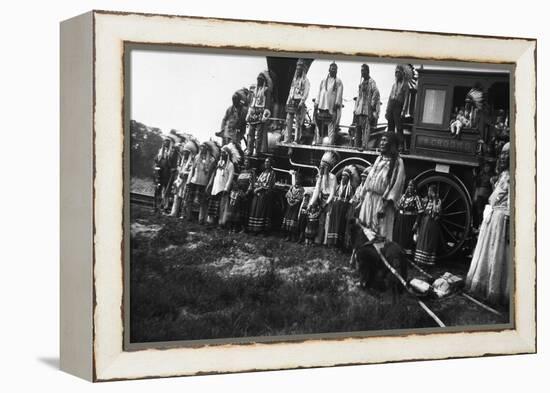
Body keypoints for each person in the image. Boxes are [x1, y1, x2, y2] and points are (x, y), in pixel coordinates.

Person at [465, 143, 510, 305]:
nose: (503, 157)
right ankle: (483, 283)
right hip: (493, 215)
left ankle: (493, 288)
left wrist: (509, 218)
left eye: (507, 154)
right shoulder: (503, 174)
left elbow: (511, 200)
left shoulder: (513, 175)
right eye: (502, 154)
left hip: (501, 218)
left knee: (497, 253)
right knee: (486, 251)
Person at [358, 132, 406, 240]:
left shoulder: (398, 162)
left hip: (383, 204)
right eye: (382, 140)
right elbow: (369, 179)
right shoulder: (379, 159)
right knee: (365, 231)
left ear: (392, 144)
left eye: (385, 140)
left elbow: (396, 187)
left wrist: (384, 207)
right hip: (369, 200)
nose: (382, 143)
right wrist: (362, 197)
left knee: (380, 233)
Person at [206, 143, 240, 227]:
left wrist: (226, 188)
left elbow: (230, 178)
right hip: (215, 187)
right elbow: (215, 175)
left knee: (222, 206)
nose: (222, 154)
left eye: (224, 153)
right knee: (214, 204)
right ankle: (211, 222)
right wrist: (211, 185)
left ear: (227, 154)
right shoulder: (219, 163)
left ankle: (221, 223)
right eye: (221, 153)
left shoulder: (230, 165)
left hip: (223, 188)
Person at [309, 150, 339, 244]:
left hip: (329, 202)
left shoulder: (333, 177)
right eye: (321, 166)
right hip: (322, 200)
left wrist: (327, 203)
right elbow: (317, 190)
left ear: (328, 168)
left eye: (323, 167)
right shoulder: (320, 177)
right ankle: (318, 240)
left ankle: (326, 241)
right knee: (320, 221)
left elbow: (332, 192)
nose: (321, 168)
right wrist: (311, 203)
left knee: (328, 221)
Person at [326, 165, 359, 249]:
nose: (343, 178)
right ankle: (332, 242)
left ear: (348, 179)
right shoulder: (337, 187)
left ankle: (339, 244)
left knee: (341, 226)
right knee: (334, 224)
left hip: (343, 210)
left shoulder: (350, 189)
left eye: (345, 177)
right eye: (343, 176)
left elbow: (352, 199)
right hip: (336, 209)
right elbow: (333, 196)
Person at [186, 141, 218, 224]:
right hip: (194, 181)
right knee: (190, 199)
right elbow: (193, 169)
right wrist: (189, 180)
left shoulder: (211, 159)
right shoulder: (197, 157)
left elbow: (211, 172)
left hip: (204, 183)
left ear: (207, 149)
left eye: (204, 147)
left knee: (203, 201)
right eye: (201, 147)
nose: (202, 149)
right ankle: (188, 216)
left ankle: (201, 219)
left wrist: (209, 184)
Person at [314, 62, 343, 145]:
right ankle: (318, 141)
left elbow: (339, 94)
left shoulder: (338, 81)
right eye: (332, 69)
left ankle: (330, 143)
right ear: (329, 70)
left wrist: (336, 104)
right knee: (319, 124)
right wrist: (317, 102)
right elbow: (319, 92)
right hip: (322, 106)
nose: (333, 71)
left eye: (335, 69)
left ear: (337, 71)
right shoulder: (323, 80)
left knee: (331, 126)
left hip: (331, 107)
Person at [352, 64, 380, 149]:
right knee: (358, 128)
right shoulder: (361, 83)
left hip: (367, 111)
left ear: (368, 71)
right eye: (361, 71)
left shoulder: (372, 82)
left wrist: (371, 105)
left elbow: (376, 93)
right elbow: (359, 97)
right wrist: (355, 109)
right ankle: (357, 146)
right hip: (360, 110)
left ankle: (364, 146)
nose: (362, 72)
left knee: (366, 129)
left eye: (364, 70)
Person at [393, 179, 423, 256]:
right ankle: (398, 254)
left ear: (414, 187)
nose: (410, 187)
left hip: (409, 221)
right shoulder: (403, 196)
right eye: (409, 185)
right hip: (401, 219)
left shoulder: (416, 198)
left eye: (412, 185)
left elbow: (420, 212)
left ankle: (407, 256)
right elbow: (398, 207)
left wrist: (416, 223)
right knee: (398, 236)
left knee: (407, 239)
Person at [246, 71, 273, 156]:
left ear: (264, 81)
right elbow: (251, 102)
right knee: (250, 134)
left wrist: (266, 113)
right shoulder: (254, 90)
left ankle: (256, 151)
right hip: (253, 113)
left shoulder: (266, 90)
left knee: (258, 135)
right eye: (258, 79)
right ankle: (249, 150)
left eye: (261, 80)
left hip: (260, 113)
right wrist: (249, 112)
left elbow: (268, 102)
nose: (259, 81)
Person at [414, 184, 442, 266]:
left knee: (428, 241)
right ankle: (419, 260)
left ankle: (427, 261)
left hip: (432, 223)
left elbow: (437, 211)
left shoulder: (438, 201)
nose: (429, 192)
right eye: (429, 191)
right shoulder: (426, 200)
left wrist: (434, 199)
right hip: (424, 222)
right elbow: (421, 208)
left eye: (431, 191)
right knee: (422, 239)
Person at [169, 139, 199, 217]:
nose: (184, 154)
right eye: (184, 152)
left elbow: (191, 171)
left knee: (185, 198)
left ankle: (183, 214)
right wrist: (177, 171)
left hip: (186, 182)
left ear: (189, 153)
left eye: (186, 152)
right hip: (179, 181)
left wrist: (185, 174)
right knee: (176, 196)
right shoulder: (182, 160)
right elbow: (179, 168)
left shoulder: (192, 161)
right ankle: (174, 212)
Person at [226, 157, 256, 232]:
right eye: (245, 162)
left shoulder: (252, 172)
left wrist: (247, 193)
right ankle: (234, 227)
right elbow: (238, 182)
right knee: (236, 210)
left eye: (247, 162)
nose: (246, 164)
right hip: (239, 193)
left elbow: (252, 184)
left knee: (244, 211)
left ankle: (243, 228)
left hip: (246, 194)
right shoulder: (242, 172)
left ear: (250, 164)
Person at [284, 59, 310, 144]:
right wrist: (288, 101)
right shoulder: (294, 80)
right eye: (297, 69)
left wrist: (301, 102)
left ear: (302, 70)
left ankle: (296, 139)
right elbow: (291, 91)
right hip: (292, 101)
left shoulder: (306, 81)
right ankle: (287, 139)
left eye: (300, 69)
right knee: (288, 120)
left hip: (299, 102)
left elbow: (306, 93)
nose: (298, 71)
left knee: (298, 122)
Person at [248, 157, 276, 234]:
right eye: (265, 162)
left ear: (271, 164)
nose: (266, 163)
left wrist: (258, 189)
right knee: (255, 210)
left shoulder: (272, 173)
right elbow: (258, 182)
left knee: (261, 212)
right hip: (258, 194)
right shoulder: (263, 173)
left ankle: (260, 230)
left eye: (268, 162)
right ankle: (253, 228)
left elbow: (267, 185)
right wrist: (255, 186)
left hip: (264, 195)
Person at [386, 65, 410, 151]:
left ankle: (400, 145)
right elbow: (390, 97)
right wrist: (387, 110)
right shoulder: (393, 85)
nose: (396, 74)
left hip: (398, 106)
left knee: (399, 127)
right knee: (390, 126)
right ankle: (390, 144)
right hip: (391, 105)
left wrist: (403, 110)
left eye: (398, 72)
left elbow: (407, 99)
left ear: (402, 74)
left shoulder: (405, 85)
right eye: (395, 72)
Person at [154, 137, 179, 212]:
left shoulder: (173, 152)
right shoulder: (160, 151)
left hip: (167, 173)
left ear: (170, 143)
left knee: (167, 190)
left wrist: (173, 168)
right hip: (160, 172)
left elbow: (175, 163)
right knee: (158, 189)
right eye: (165, 141)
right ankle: (156, 206)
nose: (166, 143)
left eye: (167, 142)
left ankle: (165, 206)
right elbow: (156, 160)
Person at [281, 171, 305, 241]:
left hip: (296, 208)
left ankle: (293, 236)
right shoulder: (292, 188)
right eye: (296, 179)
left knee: (293, 221)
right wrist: (289, 200)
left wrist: (294, 202)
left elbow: (299, 199)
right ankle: (288, 235)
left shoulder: (301, 189)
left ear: (301, 180)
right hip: (289, 207)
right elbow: (287, 195)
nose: (297, 181)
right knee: (288, 220)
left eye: (298, 179)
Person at [473, 161, 494, 230]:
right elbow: (477, 186)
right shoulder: (480, 175)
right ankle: (478, 225)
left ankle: (484, 226)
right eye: (485, 166)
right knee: (479, 211)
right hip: (480, 195)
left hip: (487, 196)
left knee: (486, 212)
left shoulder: (492, 176)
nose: (487, 168)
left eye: (488, 166)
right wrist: (476, 196)